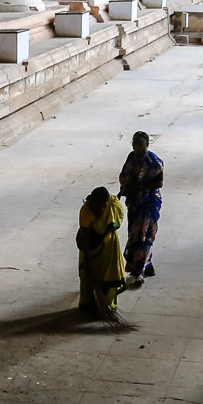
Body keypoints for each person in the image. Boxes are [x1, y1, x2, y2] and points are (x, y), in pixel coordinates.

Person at [118, 130, 164, 287]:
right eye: (134, 143)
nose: (136, 147)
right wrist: (124, 187)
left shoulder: (154, 162)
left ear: (147, 145)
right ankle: (147, 264)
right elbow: (124, 174)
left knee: (144, 234)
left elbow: (159, 183)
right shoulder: (131, 157)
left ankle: (139, 270)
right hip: (134, 203)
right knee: (134, 233)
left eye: (140, 144)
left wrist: (139, 186)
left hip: (148, 202)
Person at [76, 185, 125, 318]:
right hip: (90, 246)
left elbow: (113, 223)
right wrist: (88, 262)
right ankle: (88, 303)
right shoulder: (85, 211)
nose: (100, 209)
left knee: (109, 274)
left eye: (102, 206)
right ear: (91, 203)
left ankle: (107, 305)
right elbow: (85, 237)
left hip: (109, 246)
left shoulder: (112, 206)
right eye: (96, 206)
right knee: (86, 276)